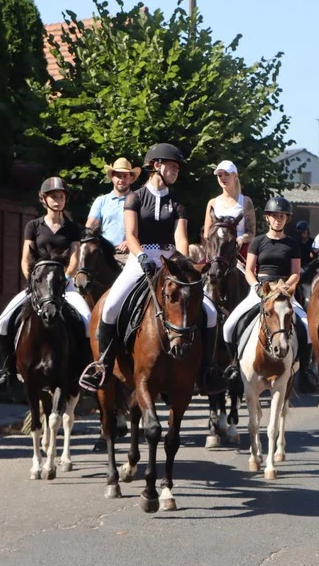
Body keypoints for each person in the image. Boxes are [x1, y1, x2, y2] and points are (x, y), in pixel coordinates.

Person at [78, 143, 225, 394]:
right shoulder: (135, 198)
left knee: (210, 311)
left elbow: (180, 238)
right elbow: (131, 235)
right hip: (141, 257)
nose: (176, 171)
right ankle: (103, 365)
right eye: (172, 166)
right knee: (110, 306)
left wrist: (183, 259)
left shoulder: (178, 203)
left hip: (170, 259)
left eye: (178, 168)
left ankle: (207, 370)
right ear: (157, 166)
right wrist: (142, 255)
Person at [0, 177, 92, 391]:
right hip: (38, 287)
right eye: (53, 196)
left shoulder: (73, 229)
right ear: (43, 199)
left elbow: (74, 257)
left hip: (65, 285)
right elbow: (26, 258)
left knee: (87, 320)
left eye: (61, 196)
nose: (58, 200)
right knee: (3, 321)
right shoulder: (33, 226)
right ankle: (8, 371)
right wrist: (33, 281)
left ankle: (83, 369)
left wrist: (64, 279)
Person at [221, 196, 317, 391]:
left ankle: (305, 370)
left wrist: (283, 287)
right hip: (260, 289)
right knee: (229, 325)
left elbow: (296, 274)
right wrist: (257, 286)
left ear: (286, 219)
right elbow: (249, 270)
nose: (278, 219)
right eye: (274, 216)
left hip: (283, 291)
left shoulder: (292, 244)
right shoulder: (257, 242)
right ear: (267, 218)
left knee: (306, 327)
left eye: (282, 216)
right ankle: (233, 365)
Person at [86, 157, 140, 262]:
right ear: (112, 178)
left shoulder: (138, 200)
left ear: (131, 178)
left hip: (129, 253)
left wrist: (131, 242)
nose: (121, 179)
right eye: (118, 176)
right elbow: (89, 228)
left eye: (125, 176)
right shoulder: (101, 201)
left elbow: (145, 226)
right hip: (104, 254)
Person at [202, 160, 256, 259]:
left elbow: (251, 233)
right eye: (220, 175)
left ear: (235, 176)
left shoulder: (245, 201)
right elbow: (206, 234)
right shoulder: (212, 203)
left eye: (226, 174)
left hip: (239, 251)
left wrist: (241, 238)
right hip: (216, 252)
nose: (223, 178)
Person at [295, 219, 319, 304]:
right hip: (300, 268)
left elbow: (316, 256)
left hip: (311, 268)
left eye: (305, 231)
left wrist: (314, 253)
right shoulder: (296, 243)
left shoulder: (312, 242)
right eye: (301, 232)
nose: (303, 233)